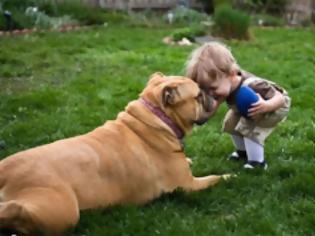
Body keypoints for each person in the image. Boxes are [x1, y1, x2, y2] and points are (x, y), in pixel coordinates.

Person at [185, 42, 291, 170]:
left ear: (232, 74)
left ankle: (257, 163)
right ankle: (243, 152)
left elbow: (279, 97)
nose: (210, 94)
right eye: (206, 90)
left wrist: (266, 106)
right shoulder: (224, 86)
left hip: (274, 106)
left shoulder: (253, 85)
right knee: (230, 123)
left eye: (213, 88)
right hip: (245, 108)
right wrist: (201, 118)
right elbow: (214, 106)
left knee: (248, 129)